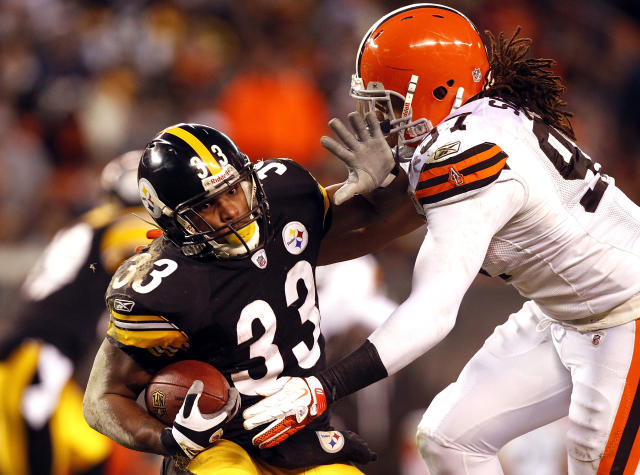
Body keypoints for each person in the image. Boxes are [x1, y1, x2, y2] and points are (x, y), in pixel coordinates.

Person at [242, 4, 640, 474]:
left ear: (437, 90)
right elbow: (370, 225)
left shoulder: (465, 157)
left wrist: (323, 387)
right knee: (448, 439)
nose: (381, 118)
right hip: (566, 314)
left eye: (388, 102)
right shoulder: (477, 121)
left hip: (628, 318)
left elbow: (431, 313)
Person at [82, 122, 415, 474]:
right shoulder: (165, 287)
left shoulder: (286, 196)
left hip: (301, 437)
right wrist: (168, 439)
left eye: (232, 189)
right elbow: (102, 398)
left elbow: (379, 218)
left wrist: (390, 180)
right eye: (207, 205)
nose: (230, 210)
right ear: (176, 223)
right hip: (219, 445)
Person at [0, 151, 154, 475]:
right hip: (38, 354)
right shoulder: (124, 224)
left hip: (40, 354)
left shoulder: (89, 225)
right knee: (35, 450)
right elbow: (137, 246)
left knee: (91, 450)